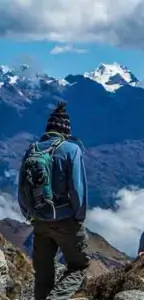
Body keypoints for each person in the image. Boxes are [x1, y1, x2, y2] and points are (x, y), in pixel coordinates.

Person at [18, 102, 90, 300]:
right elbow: (77, 188)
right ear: (66, 131)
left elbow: (21, 186)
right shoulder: (71, 149)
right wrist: (78, 217)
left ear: (48, 128)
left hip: (39, 221)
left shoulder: (32, 150)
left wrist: (29, 214)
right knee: (78, 266)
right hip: (66, 220)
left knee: (43, 274)